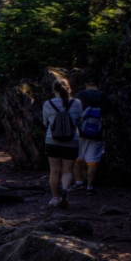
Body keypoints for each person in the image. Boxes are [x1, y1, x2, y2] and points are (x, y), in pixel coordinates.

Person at [42, 78, 83, 209]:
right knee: (67, 170)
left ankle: (54, 198)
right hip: (71, 141)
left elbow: (45, 122)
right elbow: (80, 120)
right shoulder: (77, 103)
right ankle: (65, 188)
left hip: (52, 140)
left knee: (54, 171)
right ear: (69, 89)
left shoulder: (48, 104)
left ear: (54, 90)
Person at [74, 79, 108, 194]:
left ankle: (78, 182)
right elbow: (109, 112)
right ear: (99, 84)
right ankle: (90, 187)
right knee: (93, 161)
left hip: (81, 130)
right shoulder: (104, 96)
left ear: (86, 84)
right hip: (97, 131)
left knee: (77, 158)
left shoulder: (80, 95)